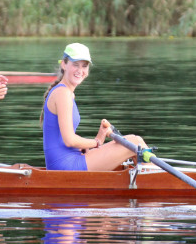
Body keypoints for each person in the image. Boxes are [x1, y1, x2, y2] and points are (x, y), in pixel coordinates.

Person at [41, 43, 147, 171]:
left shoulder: (65, 92)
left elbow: (62, 138)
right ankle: (157, 178)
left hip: (69, 160)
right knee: (136, 143)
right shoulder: (63, 93)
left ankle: (148, 178)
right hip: (65, 165)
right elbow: (69, 140)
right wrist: (97, 142)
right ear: (64, 64)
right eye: (75, 64)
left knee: (136, 144)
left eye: (84, 66)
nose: (80, 70)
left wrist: (83, 146)